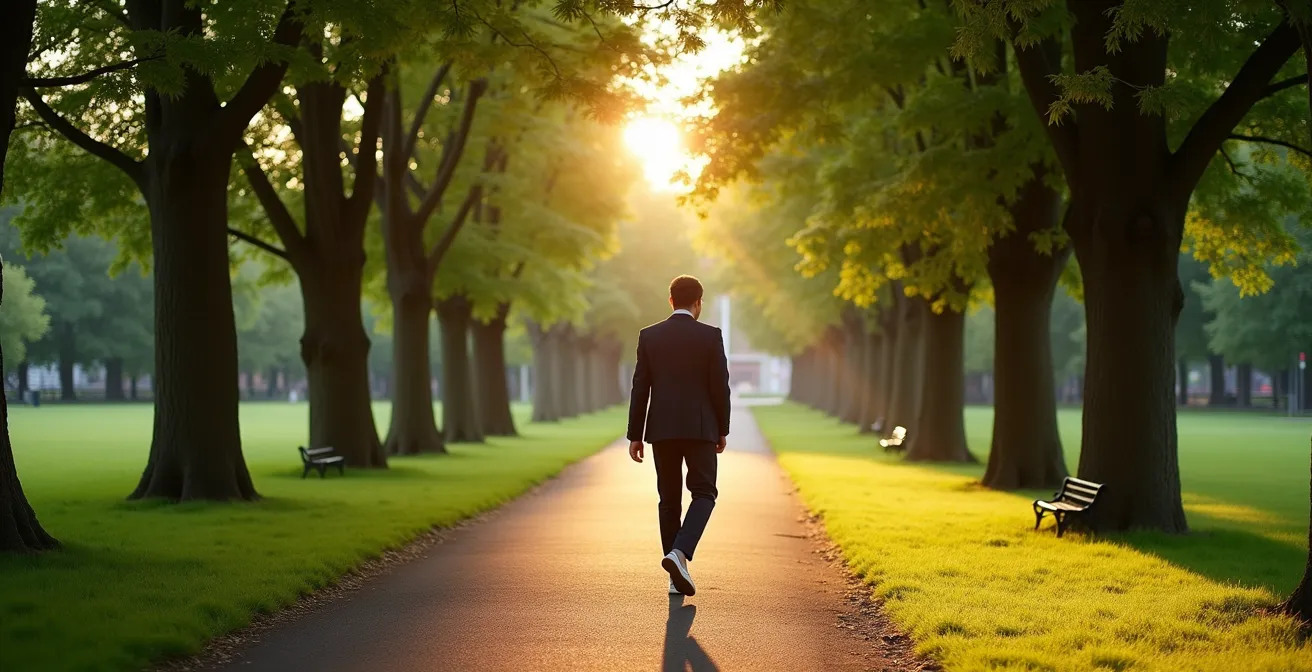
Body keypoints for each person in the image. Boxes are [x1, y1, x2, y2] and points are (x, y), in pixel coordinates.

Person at [627, 274, 731, 596]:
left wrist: (635, 434)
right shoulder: (710, 336)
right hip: (700, 430)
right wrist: (722, 429)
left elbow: (640, 388)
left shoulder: (649, 336)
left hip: (662, 429)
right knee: (704, 493)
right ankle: (680, 552)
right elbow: (720, 387)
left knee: (669, 500)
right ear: (698, 303)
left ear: (670, 301)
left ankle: (676, 576)